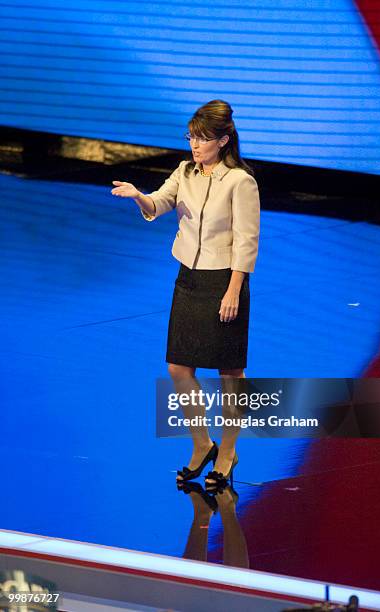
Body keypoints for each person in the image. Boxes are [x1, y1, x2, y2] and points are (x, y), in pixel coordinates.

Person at [111, 100, 260, 487]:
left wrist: (233, 291)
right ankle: (201, 444)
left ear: (223, 141)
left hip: (224, 282)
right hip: (189, 280)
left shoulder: (240, 182)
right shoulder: (185, 172)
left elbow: (247, 242)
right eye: (191, 137)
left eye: (203, 138)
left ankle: (227, 451)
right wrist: (139, 196)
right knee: (178, 366)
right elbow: (160, 203)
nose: (195, 145)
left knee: (230, 371)